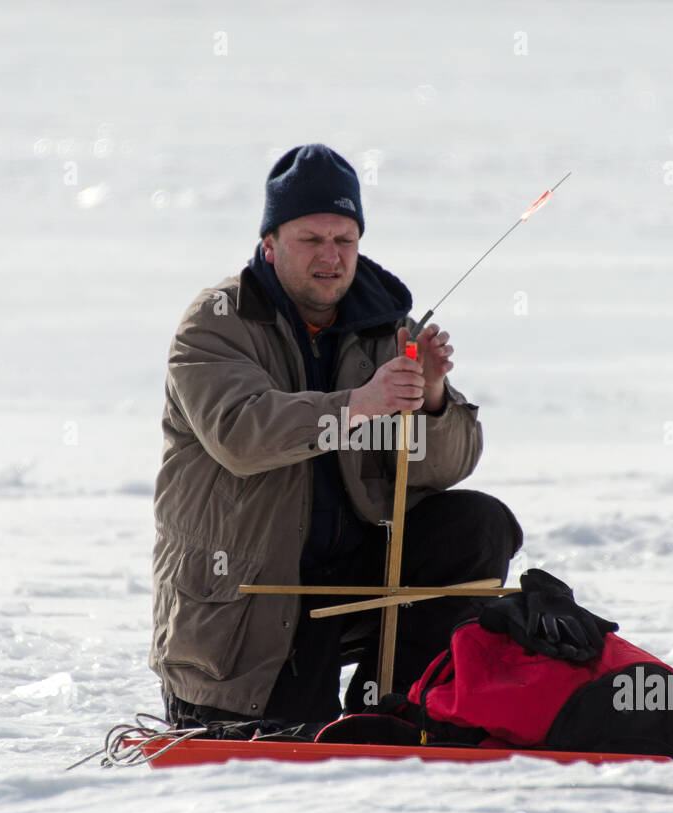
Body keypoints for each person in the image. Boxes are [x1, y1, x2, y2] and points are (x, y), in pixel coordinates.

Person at [150, 143, 523, 730]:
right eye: (312, 239)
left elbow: (446, 466)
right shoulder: (216, 322)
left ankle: (401, 702)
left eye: (345, 240)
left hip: (350, 574)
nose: (332, 257)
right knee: (290, 747)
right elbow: (242, 435)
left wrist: (427, 402)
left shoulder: (384, 326)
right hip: (251, 595)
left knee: (477, 525)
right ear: (270, 246)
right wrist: (358, 404)